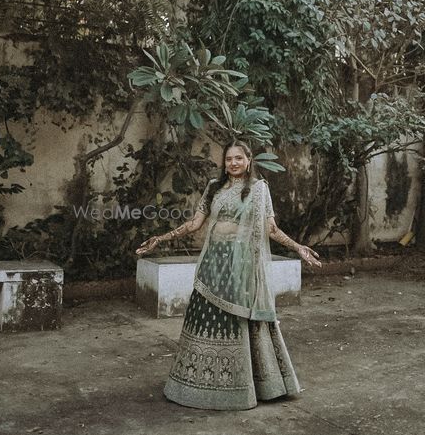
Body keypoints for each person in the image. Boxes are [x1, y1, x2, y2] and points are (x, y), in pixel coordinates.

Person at [135, 138, 322, 410]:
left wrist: (298, 247)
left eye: (238, 158)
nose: (233, 163)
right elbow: (195, 223)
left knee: (239, 320)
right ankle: (195, 383)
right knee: (204, 316)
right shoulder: (214, 187)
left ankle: (245, 384)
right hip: (212, 264)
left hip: (241, 266)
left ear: (248, 161)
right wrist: (161, 239)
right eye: (229, 159)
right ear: (224, 163)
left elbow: (270, 228)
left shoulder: (258, 189)